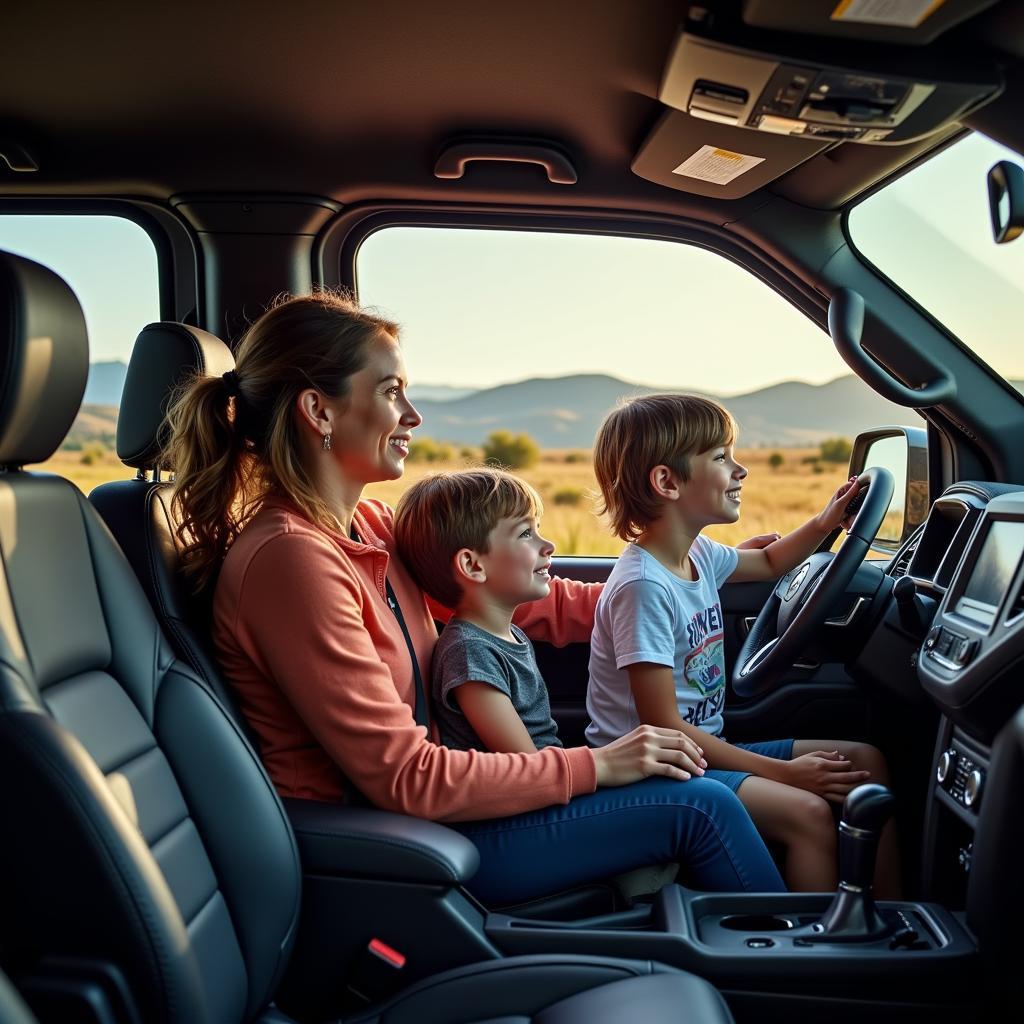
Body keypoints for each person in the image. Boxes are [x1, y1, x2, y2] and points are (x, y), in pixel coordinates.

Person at [165, 291, 786, 907]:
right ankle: (804, 970)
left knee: (698, 791)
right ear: (318, 411)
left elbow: (525, 601)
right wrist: (598, 766)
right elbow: (405, 777)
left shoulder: (372, 528)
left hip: (450, 810)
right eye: (390, 392)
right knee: (701, 804)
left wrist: (669, 589)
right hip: (386, 848)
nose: (412, 416)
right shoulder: (291, 560)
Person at [587, 393, 899, 895]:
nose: (741, 470)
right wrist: (785, 774)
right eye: (720, 457)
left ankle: (891, 922)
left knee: (865, 761)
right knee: (808, 812)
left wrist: (825, 523)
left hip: (702, 752)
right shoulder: (643, 587)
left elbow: (773, 563)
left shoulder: (698, 554)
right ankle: (807, 957)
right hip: (658, 770)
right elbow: (662, 726)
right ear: (667, 482)